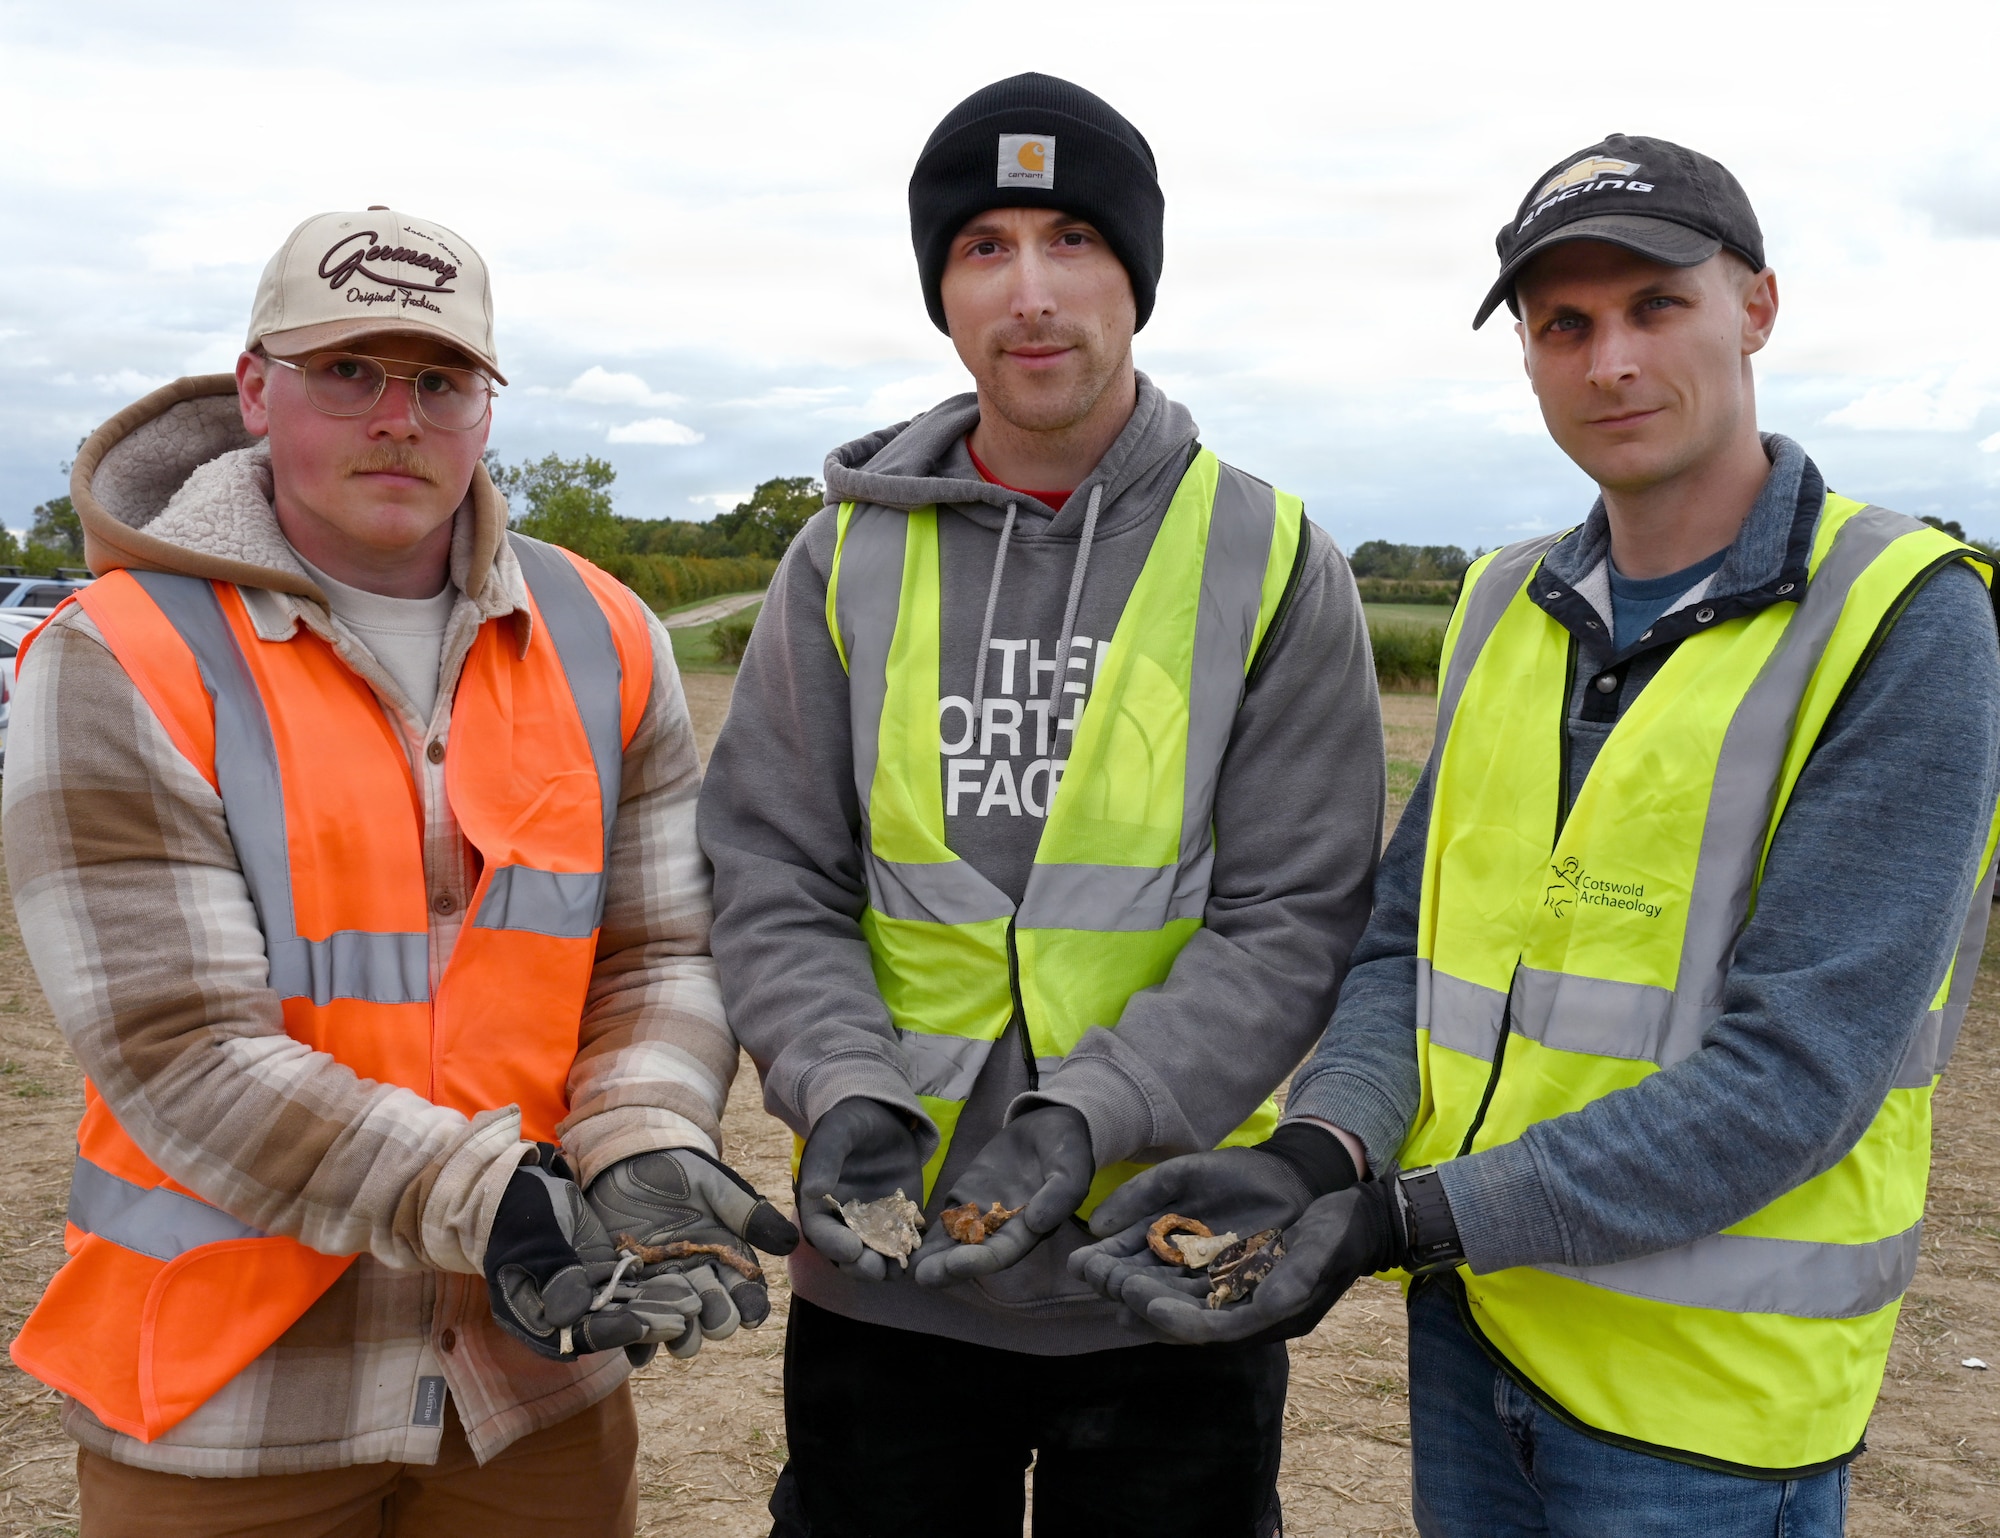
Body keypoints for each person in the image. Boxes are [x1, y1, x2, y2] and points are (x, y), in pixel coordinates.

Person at [1075, 133, 2000, 1536]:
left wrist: (1401, 1221)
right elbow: (1406, 952)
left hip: (1702, 1408)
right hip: (1480, 1340)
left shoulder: (1903, 619)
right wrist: (1321, 1151)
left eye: (1654, 305)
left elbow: (1795, 1080)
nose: (1610, 360)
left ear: (1756, 305)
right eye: (1563, 323)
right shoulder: (1511, 602)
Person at [5, 208, 797, 1537]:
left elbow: (661, 956)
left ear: (486, 408)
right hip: (231, 1396)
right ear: (257, 387)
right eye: (349, 372)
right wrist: (496, 1200)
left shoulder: (608, 639)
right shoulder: (116, 654)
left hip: (530, 1382)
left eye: (438, 380)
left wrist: (641, 1136)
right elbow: (180, 1049)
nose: (397, 416)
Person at [697, 73, 1384, 1537]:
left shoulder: (1269, 556)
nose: (1031, 292)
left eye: (1073, 238)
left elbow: (1295, 910)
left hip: (1158, 1272)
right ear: (941, 290)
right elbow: (773, 873)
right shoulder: (840, 561)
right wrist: (848, 1090)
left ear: (1135, 277)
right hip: (883, 1278)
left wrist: (1090, 1113)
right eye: (983, 245)